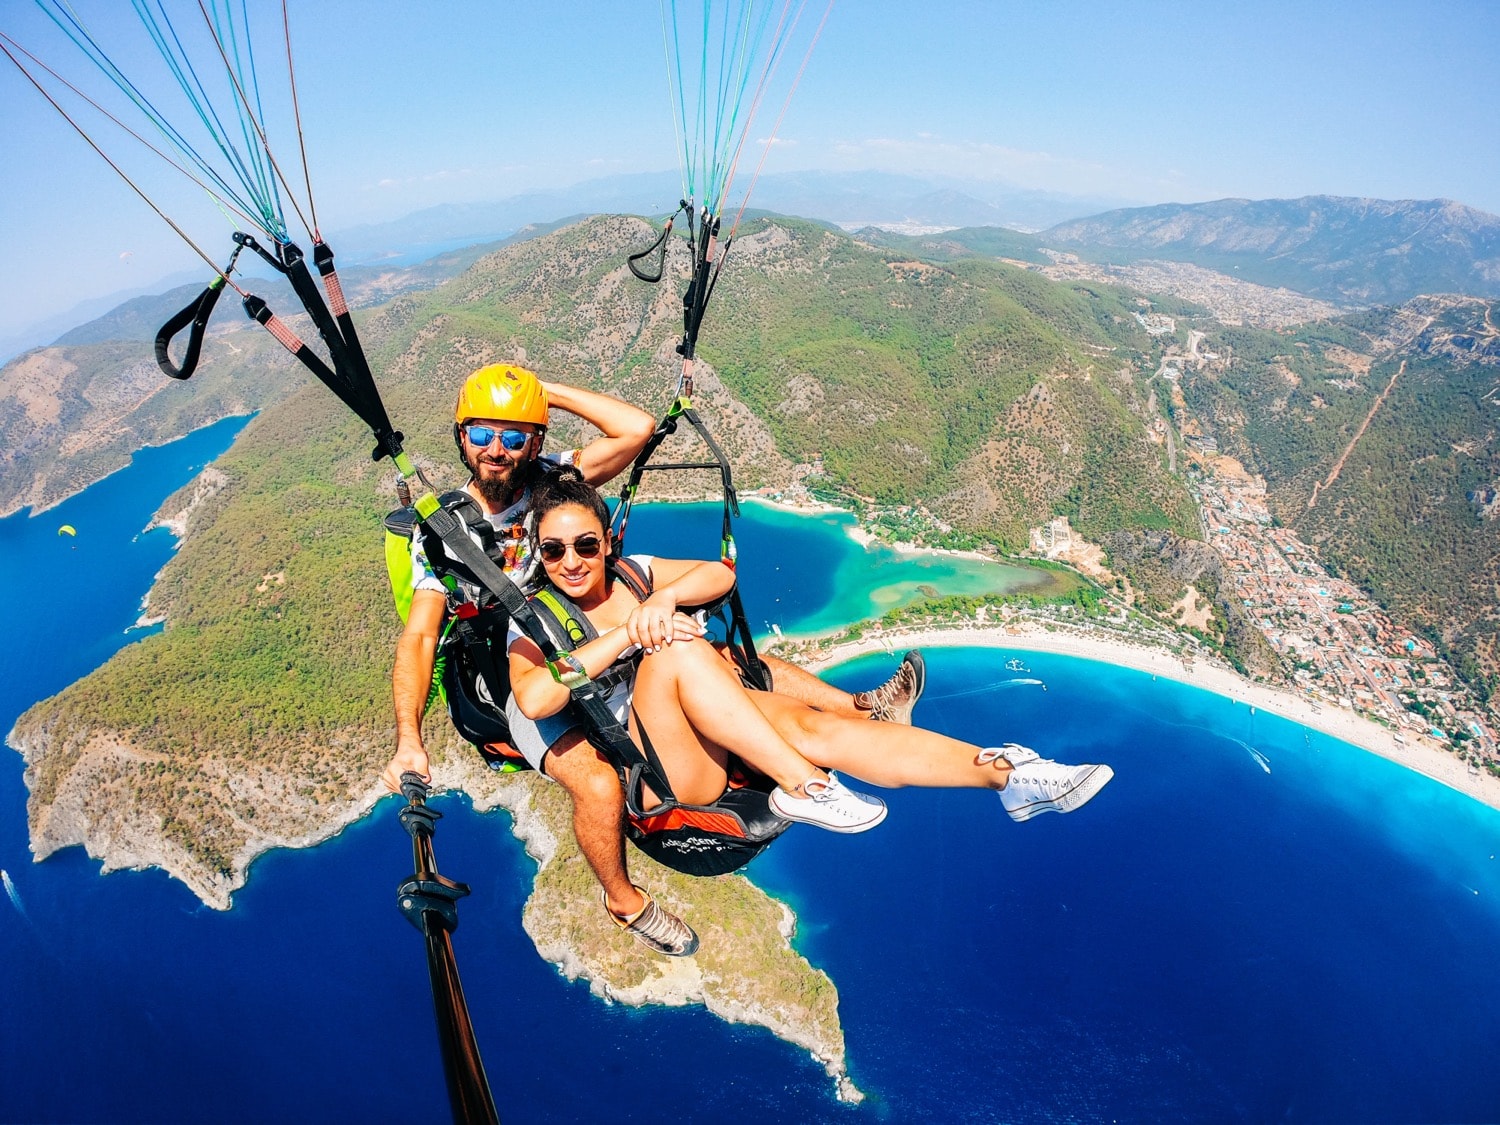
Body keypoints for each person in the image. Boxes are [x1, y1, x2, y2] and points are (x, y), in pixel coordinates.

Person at [381, 362, 925, 956]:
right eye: (481, 434)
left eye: (513, 436)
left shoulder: (553, 483)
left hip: (588, 625)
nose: (495, 450)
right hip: (521, 672)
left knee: (728, 657)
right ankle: (624, 901)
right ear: (460, 437)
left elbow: (636, 429)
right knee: (596, 784)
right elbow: (418, 638)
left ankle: (865, 709)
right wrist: (410, 736)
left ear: (534, 439)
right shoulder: (443, 532)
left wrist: (542, 392)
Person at [508, 470, 1116, 941]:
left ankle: (1008, 776)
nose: (571, 562)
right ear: (539, 551)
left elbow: (718, 575)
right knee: (676, 653)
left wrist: (661, 601)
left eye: (584, 544)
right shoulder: (534, 621)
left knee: (813, 726)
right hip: (659, 777)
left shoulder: (634, 575)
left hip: (710, 723)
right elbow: (535, 697)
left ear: (606, 539)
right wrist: (625, 636)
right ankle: (804, 786)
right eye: (554, 550)